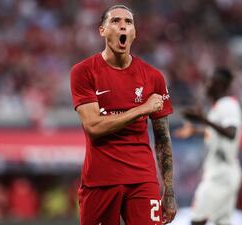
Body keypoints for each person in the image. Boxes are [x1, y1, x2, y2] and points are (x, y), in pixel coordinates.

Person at [70, 5, 176, 225]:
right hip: (100, 181)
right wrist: (142, 109)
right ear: (102, 30)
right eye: (116, 21)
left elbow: (163, 140)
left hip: (142, 180)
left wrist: (170, 191)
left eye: (128, 22)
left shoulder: (154, 77)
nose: (123, 26)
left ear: (134, 33)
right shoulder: (83, 72)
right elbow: (94, 127)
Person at [175, 68, 242, 225]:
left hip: (220, 174)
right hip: (226, 172)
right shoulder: (219, 107)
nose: (206, 85)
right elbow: (216, 133)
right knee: (222, 222)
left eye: (210, 81)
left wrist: (204, 120)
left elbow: (231, 132)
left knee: (197, 220)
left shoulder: (228, 105)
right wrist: (196, 131)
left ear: (220, 85)